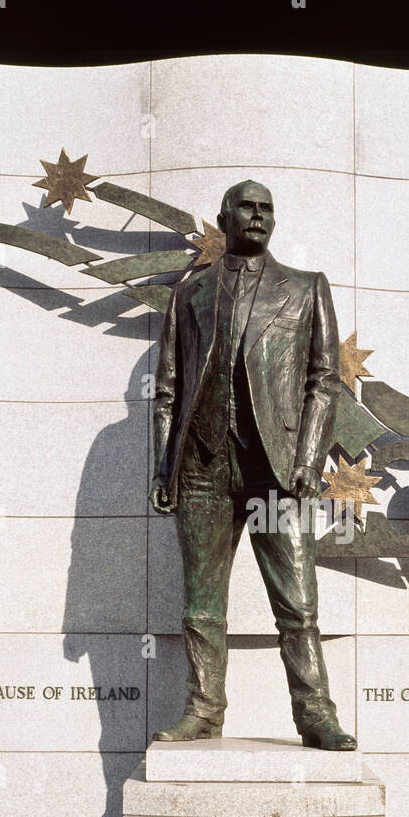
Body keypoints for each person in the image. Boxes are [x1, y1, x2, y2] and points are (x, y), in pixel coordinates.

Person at [149, 180, 356, 750]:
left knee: (298, 603)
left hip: (278, 472)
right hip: (202, 468)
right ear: (224, 217)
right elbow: (166, 388)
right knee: (200, 605)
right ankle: (203, 710)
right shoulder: (190, 294)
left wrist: (310, 461)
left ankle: (316, 715)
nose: (259, 216)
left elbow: (323, 381)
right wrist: (163, 467)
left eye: (268, 208)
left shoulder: (307, 289)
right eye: (248, 207)